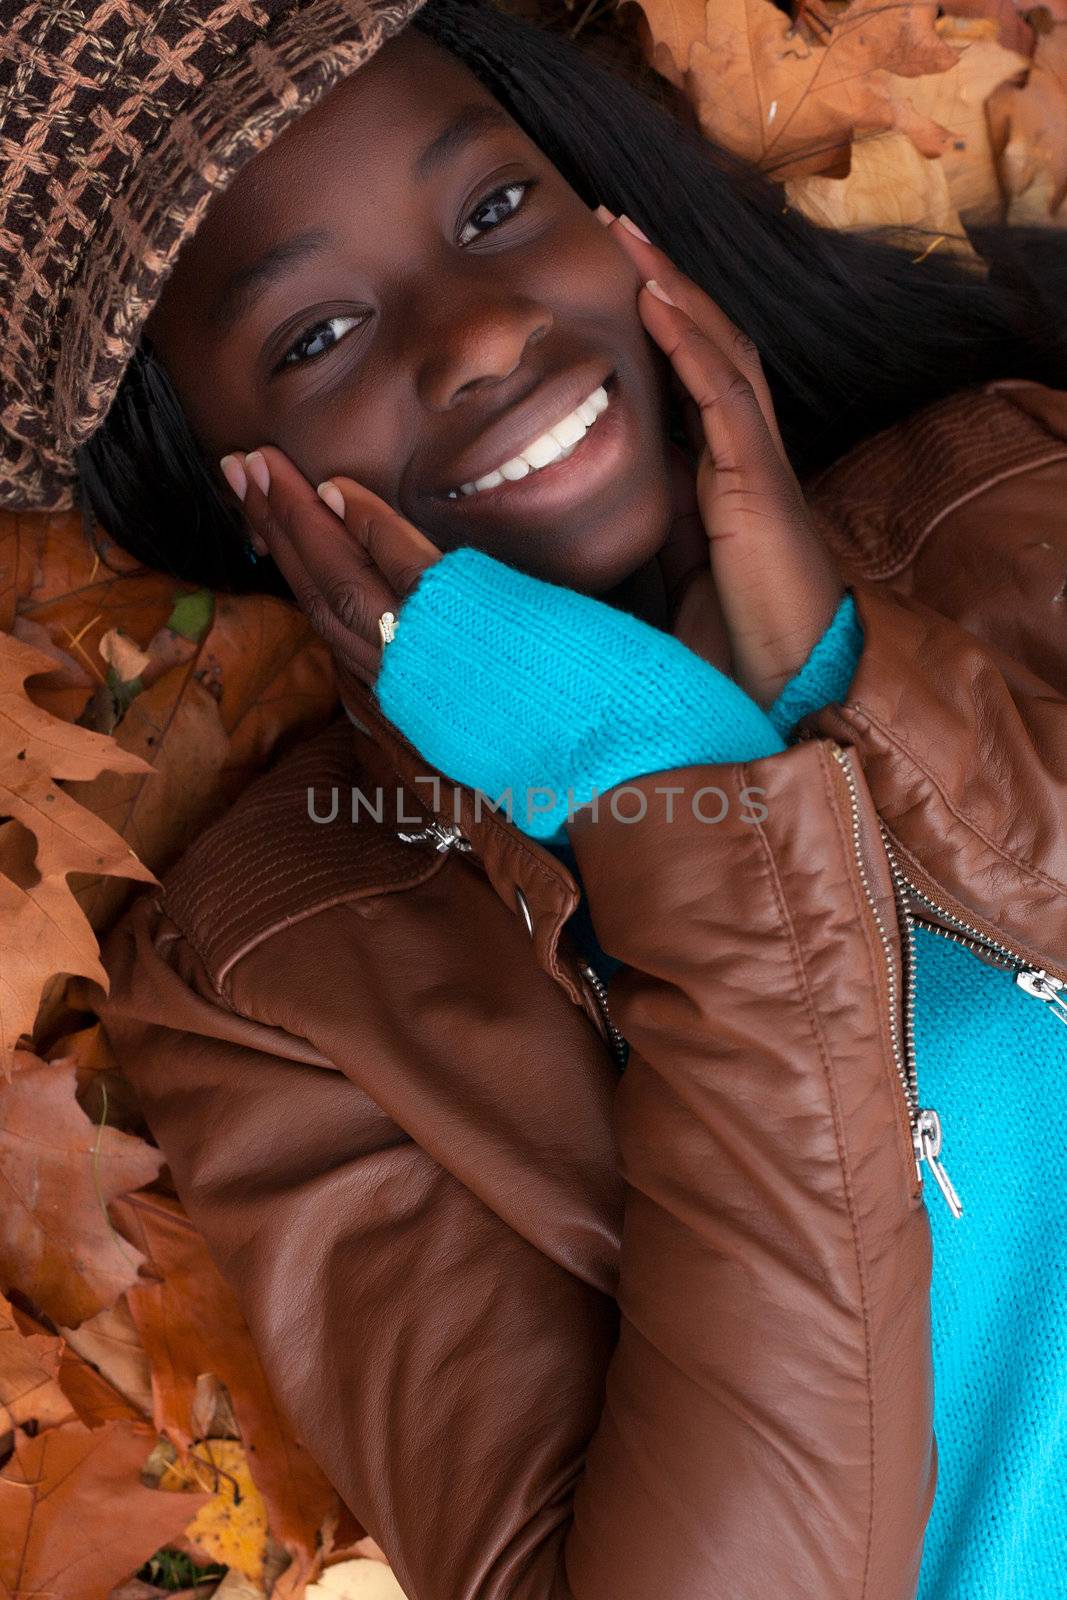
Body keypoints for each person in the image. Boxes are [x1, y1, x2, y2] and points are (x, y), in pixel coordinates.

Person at [2, 0, 1066, 1595]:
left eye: (499, 210)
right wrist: (665, 787)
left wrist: (856, 672)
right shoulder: (287, 982)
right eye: (315, 337)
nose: (481, 332)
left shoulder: (1009, 499)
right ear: (220, 481)